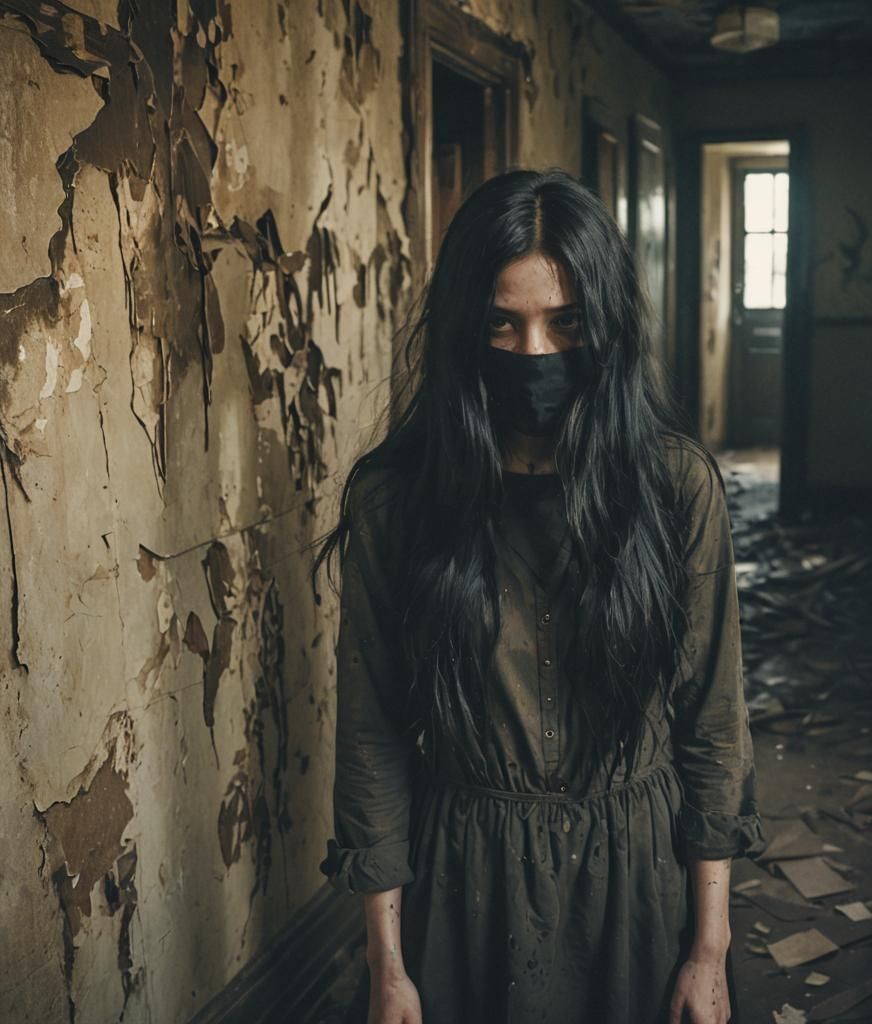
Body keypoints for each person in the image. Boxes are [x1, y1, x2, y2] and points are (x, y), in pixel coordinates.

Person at [313, 167, 765, 1024]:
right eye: (502, 323)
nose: (533, 353)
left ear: (605, 326)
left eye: (565, 323)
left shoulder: (674, 488)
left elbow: (713, 723)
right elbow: (372, 735)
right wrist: (387, 965)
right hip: (465, 889)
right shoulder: (396, 500)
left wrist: (709, 949)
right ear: (464, 328)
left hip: (636, 883)